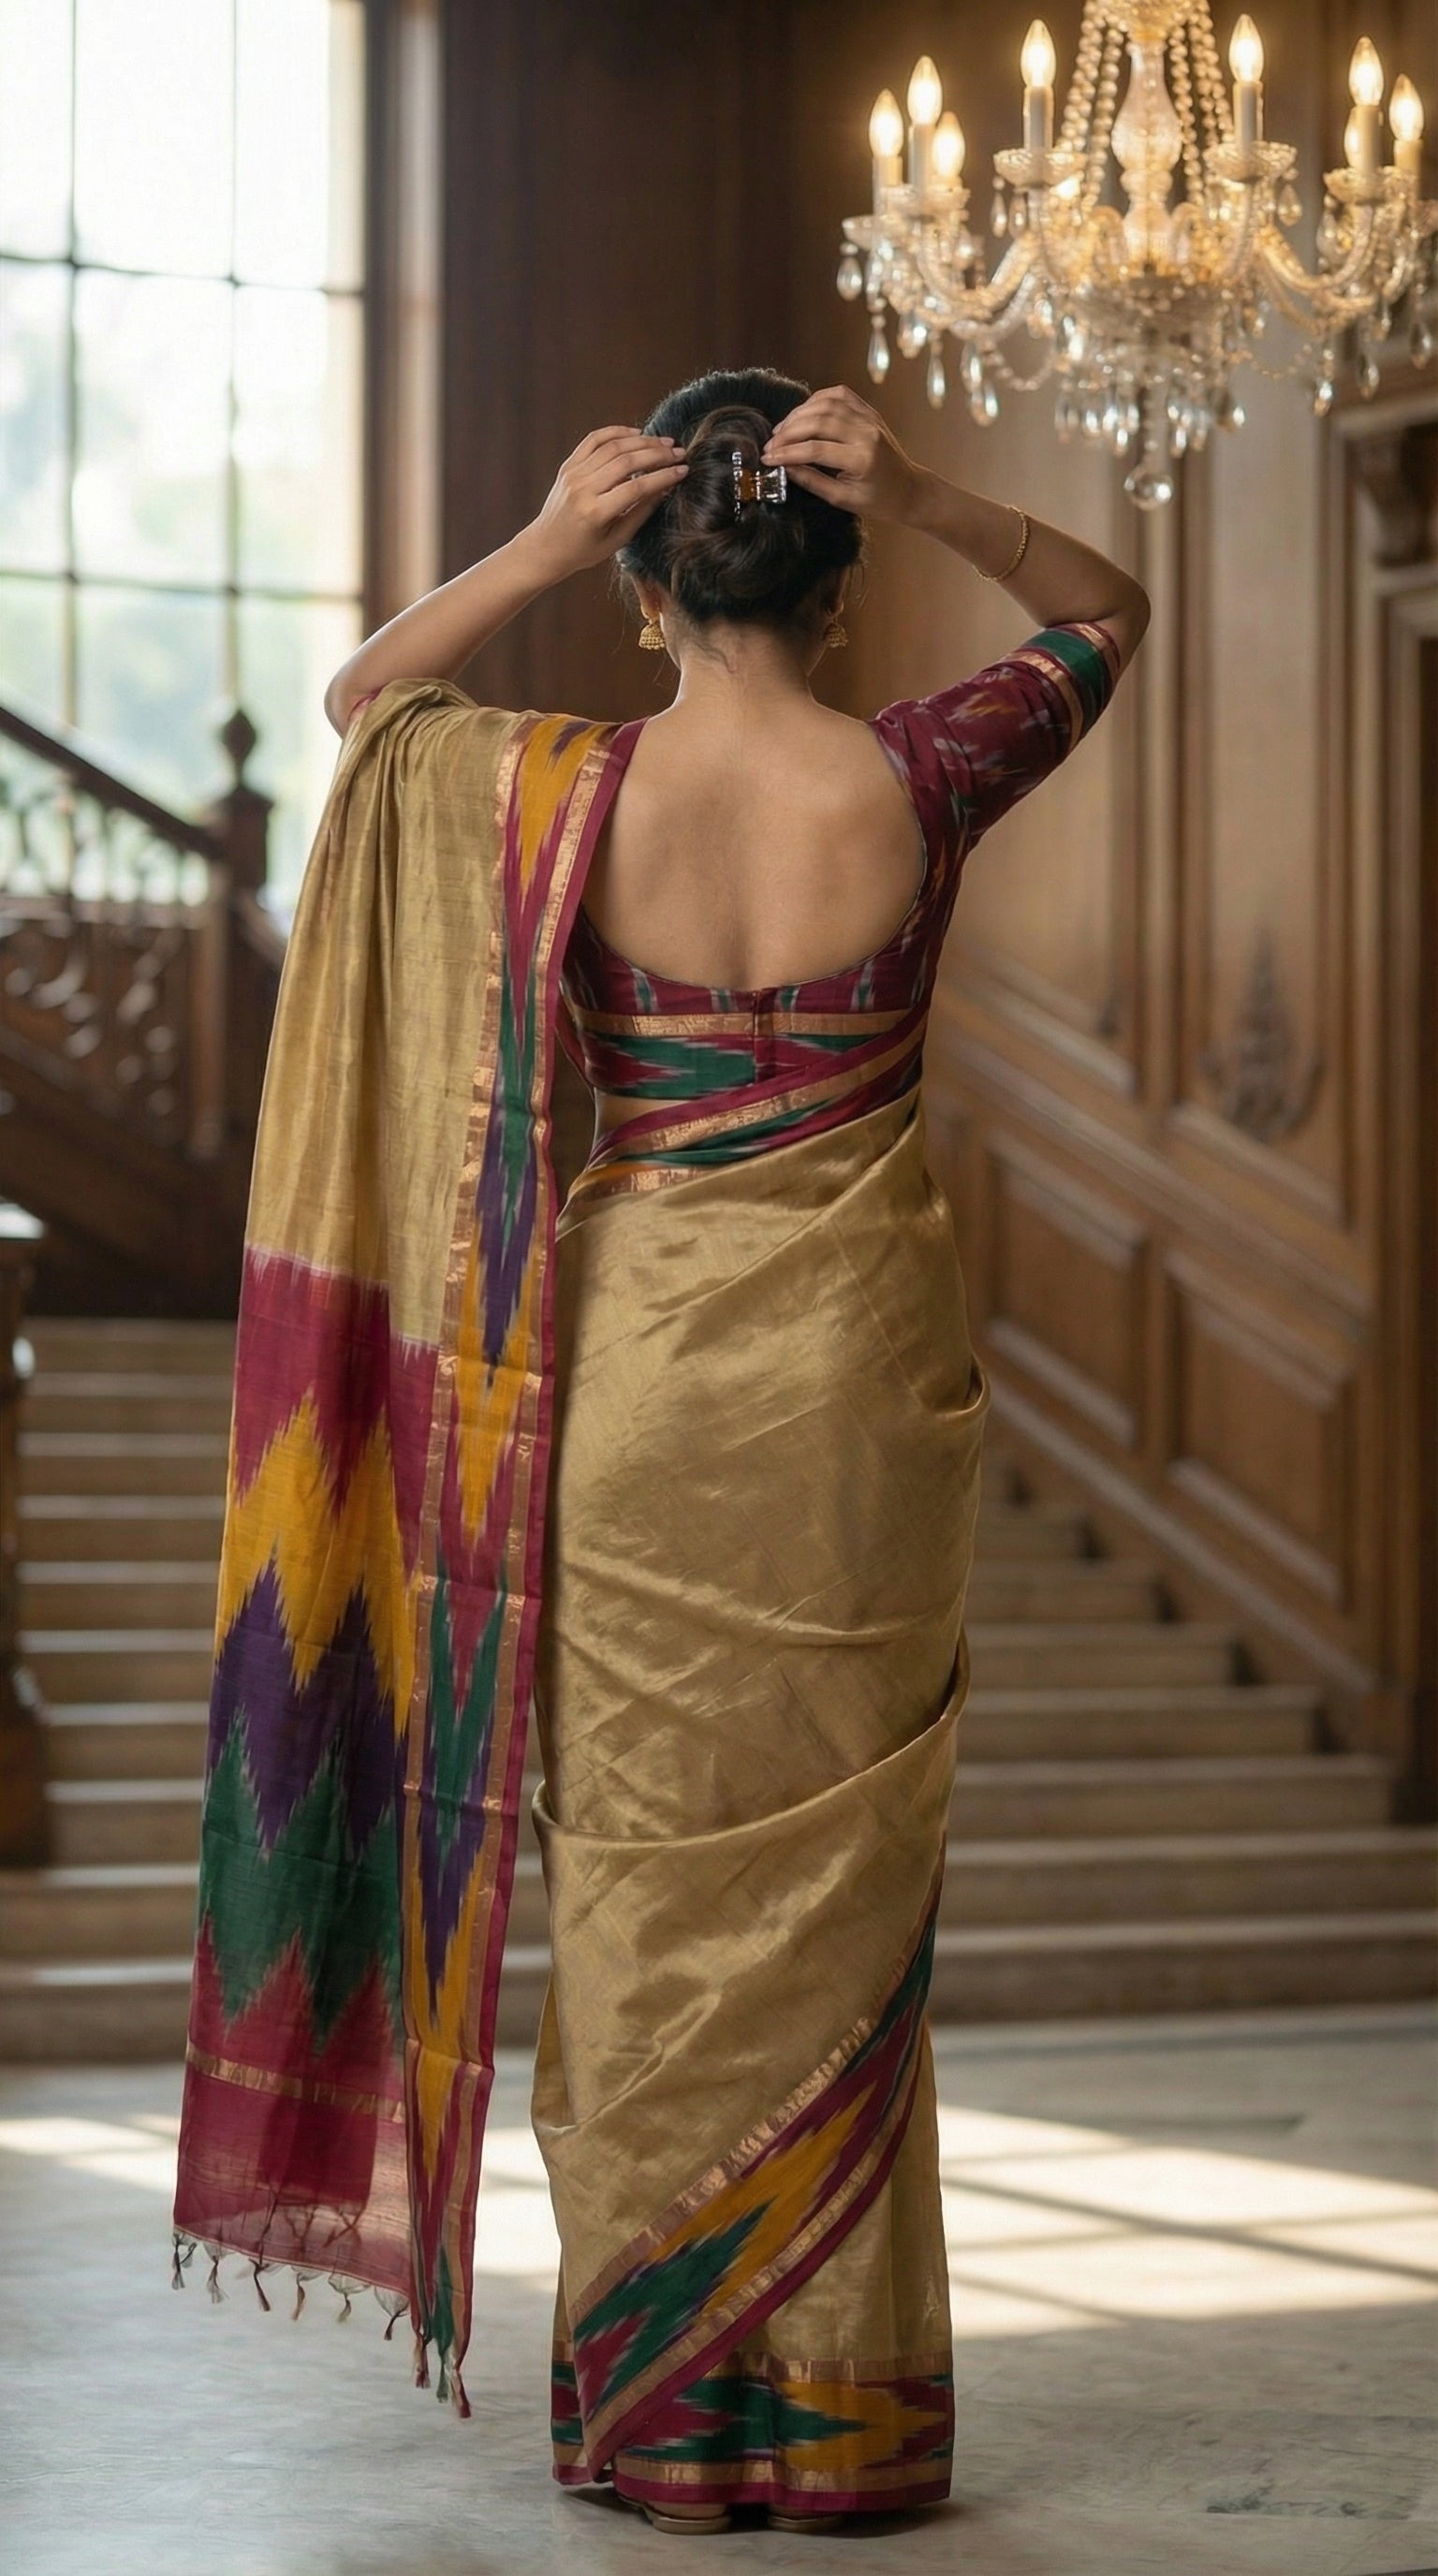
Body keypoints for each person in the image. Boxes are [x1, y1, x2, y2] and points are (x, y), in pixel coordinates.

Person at [171, 371, 1148, 2535]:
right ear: (840, 566)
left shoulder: (558, 789)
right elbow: (1107, 609)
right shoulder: (922, 769)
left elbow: (361, 698)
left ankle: (665, 2420)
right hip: (858, 1389)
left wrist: (528, 539)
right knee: (840, 1901)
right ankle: (835, 2416)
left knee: (626, 1880)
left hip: (630, 1384)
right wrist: (941, 486)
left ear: (643, 584)